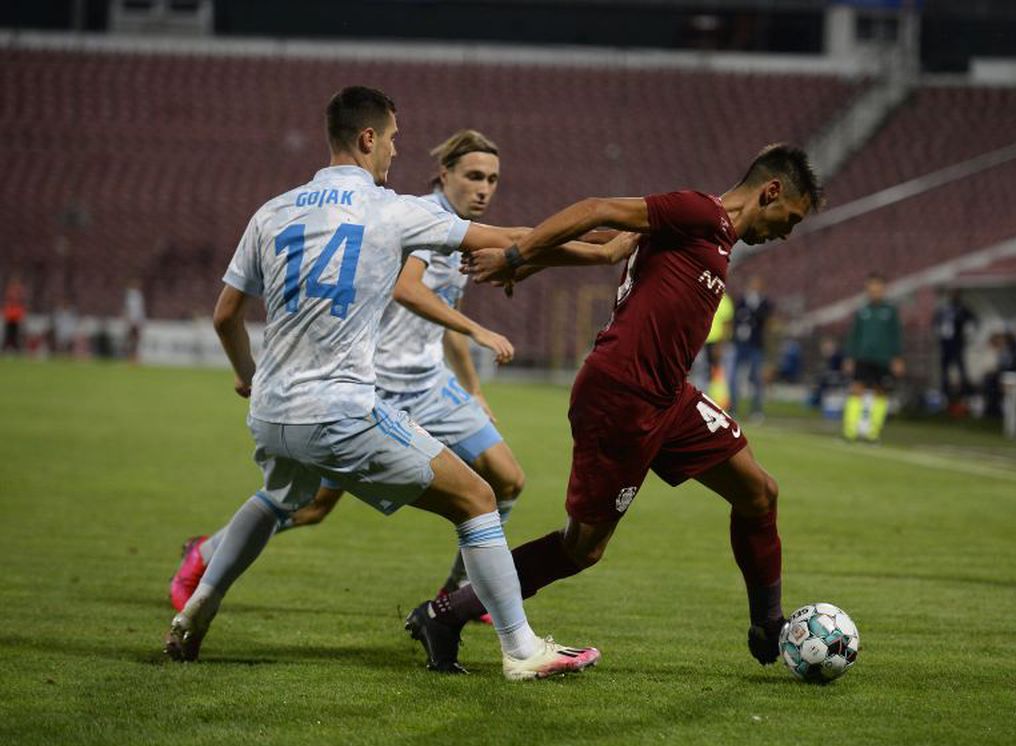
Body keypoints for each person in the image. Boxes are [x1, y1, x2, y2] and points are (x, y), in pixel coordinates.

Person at [163, 85, 623, 680]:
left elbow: (226, 314)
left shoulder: (272, 211)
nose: (395, 155)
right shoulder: (394, 209)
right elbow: (509, 239)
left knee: (278, 498)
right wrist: (606, 247)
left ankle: (197, 610)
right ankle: (520, 649)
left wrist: (248, 377)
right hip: (341, 410)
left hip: (273, 410)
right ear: (367, 138)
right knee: (479, 498)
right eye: (394, 141)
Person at [402, 143, 824, 672]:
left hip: (670, 397)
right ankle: (444, 612)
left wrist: (529, 259)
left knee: (759, 492)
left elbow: (604, 246)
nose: (786, 232)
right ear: (771, 191)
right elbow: (596, 208)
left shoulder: (710, 238)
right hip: (621, 396)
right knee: (581, 548)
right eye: (791, 218)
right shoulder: (699, 212)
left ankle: (769, 622)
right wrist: (517, 255)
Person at [168, 130, 530, 625]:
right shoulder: (414, 216)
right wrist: (483, 326)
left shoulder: (457, 231)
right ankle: (207, 551)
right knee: (312, 507)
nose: (484, 187)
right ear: (444, 175)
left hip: (427, 384)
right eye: (473, 176)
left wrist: (473, 388)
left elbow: (444, 320)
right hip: (371, 382)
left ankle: (462, 593)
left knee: (506, 479)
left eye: (492, 179)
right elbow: (408, 290)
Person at [841, 273, 903, 443]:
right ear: (867, 290)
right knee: (856, 390)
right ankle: (850, 431)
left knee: (880, 393)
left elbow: (895, 335)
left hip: (883, 358)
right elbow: (854, 335)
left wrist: (897, 357)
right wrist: (850, 357)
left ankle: (873, 433)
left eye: (878, 289)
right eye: (871, 289)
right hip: (863, 357)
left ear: (883, 290)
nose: (874, 292)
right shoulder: (862, 311)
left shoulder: (890, 311)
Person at [730, 274, 773, 420]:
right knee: (734, 377)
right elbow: (735, 318)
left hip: (755, 345)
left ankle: (756, 410)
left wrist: (750, 313)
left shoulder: (764, 302)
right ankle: (733, 408)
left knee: (756, 379)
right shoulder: (742, 300)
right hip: (740, 344)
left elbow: (764, 318)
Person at [932, 288, 975, 403]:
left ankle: (965, 394)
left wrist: (967, 333)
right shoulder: (944, 308)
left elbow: (972, 321)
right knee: (944, 370)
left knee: (961, 369)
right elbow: (936, 321)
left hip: (957, 343)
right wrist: (938, 332)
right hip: (945, 343)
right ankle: (945, 394)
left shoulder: (962, 308)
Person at [3, 276, 26, 354]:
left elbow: (21, 303)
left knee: (15, 335)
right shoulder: (11, 291)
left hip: (16, 317)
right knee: (8, 335)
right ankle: (6, 349)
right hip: (10, 316)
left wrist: (21, 316)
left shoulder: (19, 291)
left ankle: (16, 350)